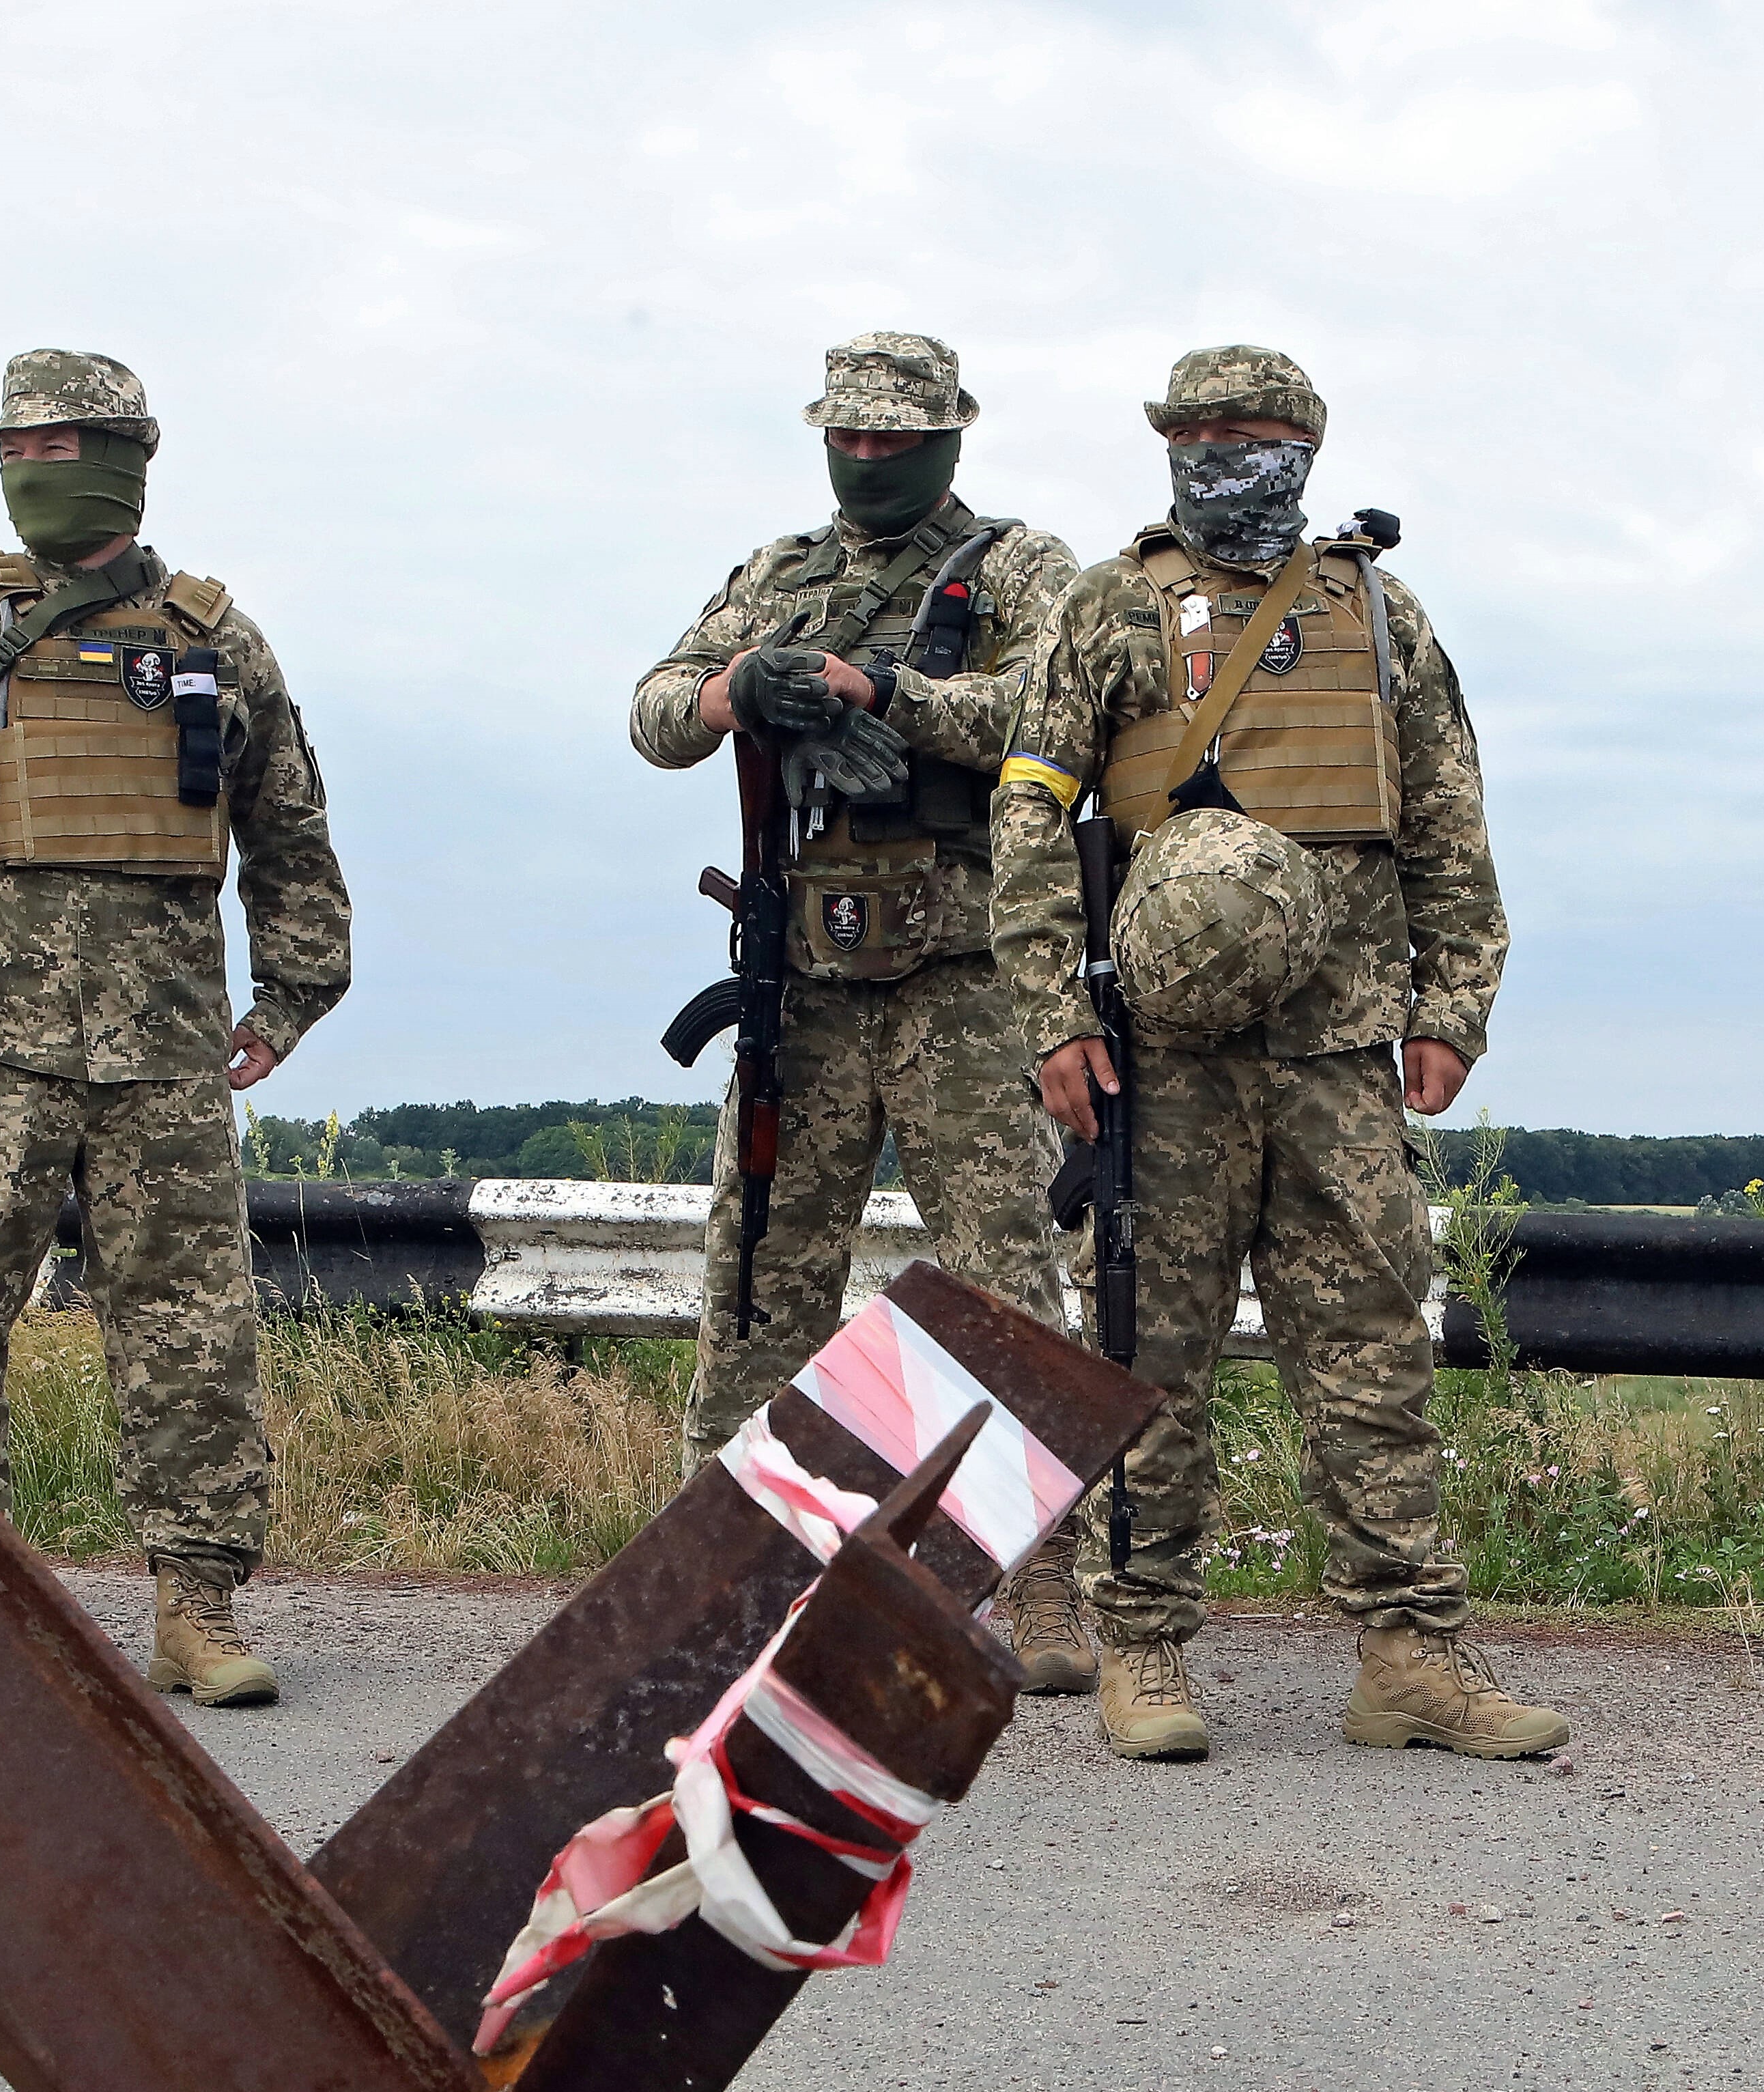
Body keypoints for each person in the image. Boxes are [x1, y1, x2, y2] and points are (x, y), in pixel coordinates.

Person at [993, 343, 1566, 1764]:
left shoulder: (1379, 614)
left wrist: (1453, 1007)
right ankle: (1142, 1647)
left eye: (1250, 435)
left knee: (1372, 1353)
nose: (1222, 455)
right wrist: (1053, 1014)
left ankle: (1410, 1659)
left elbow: (1448, 823)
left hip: (1340, 1048)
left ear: (1306, 449)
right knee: (1144, 1350)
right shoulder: (1106, 610)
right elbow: (1025, 824)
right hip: (1158, 1059)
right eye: (1195, 433)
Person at [0, 351, 350, 1708]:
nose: (35, 469)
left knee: (190, 1328)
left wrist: (292, 993)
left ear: (128, 456)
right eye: (19, 446)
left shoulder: (214, 640)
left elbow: (288, 823)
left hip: (165, 1053)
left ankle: (200, 1606)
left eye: (64, 446)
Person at [630, 333, 1091, 1686]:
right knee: (763, 1277)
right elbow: (655, 714)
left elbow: (1053, 708)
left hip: (963, 978)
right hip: (810, 977)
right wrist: (743, 689)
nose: (872, 456)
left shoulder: (1015, 569)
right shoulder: (781, 577)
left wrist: (884, 692)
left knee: (1007, 1291)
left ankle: (1046, 1588)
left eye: (899, 436)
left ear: (951, 435)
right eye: (853, 435)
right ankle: (724, 1578)